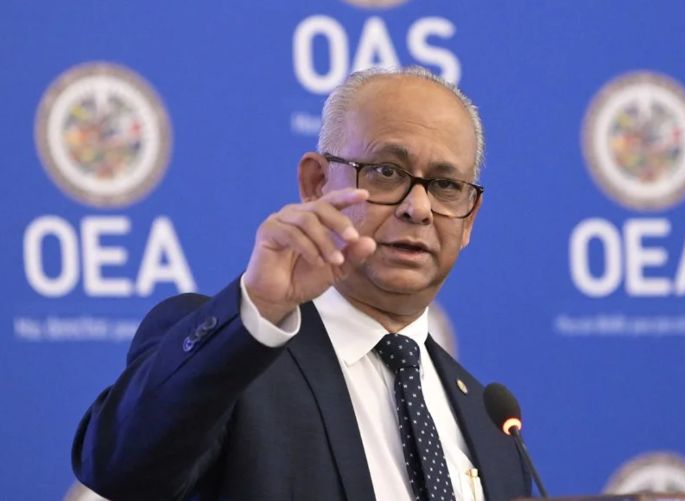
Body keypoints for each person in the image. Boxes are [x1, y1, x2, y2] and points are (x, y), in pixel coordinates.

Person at [72, 66, 531, 501]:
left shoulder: (493, 428)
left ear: (469, 219)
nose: (419, 208)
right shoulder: (232, 354)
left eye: (446, 186)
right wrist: (257, 307)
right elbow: (121, 469)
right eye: (387, 172)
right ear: (317, 183)